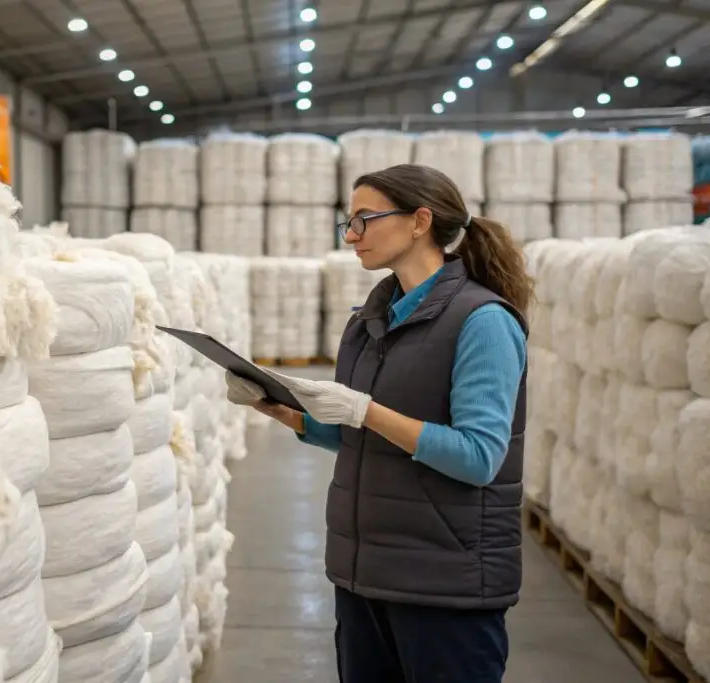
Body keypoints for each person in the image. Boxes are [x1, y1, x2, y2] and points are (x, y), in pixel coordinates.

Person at [225, 163, 534, 683]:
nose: (351, 235)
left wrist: (363, 409)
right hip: (365, 574)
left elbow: (479, 457)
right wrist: (283, 412)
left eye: (364, 219)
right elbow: (364, 436)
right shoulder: (371, 321)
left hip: (444, 583)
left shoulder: (483, 321)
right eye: (347, 221)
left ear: (420, 221)